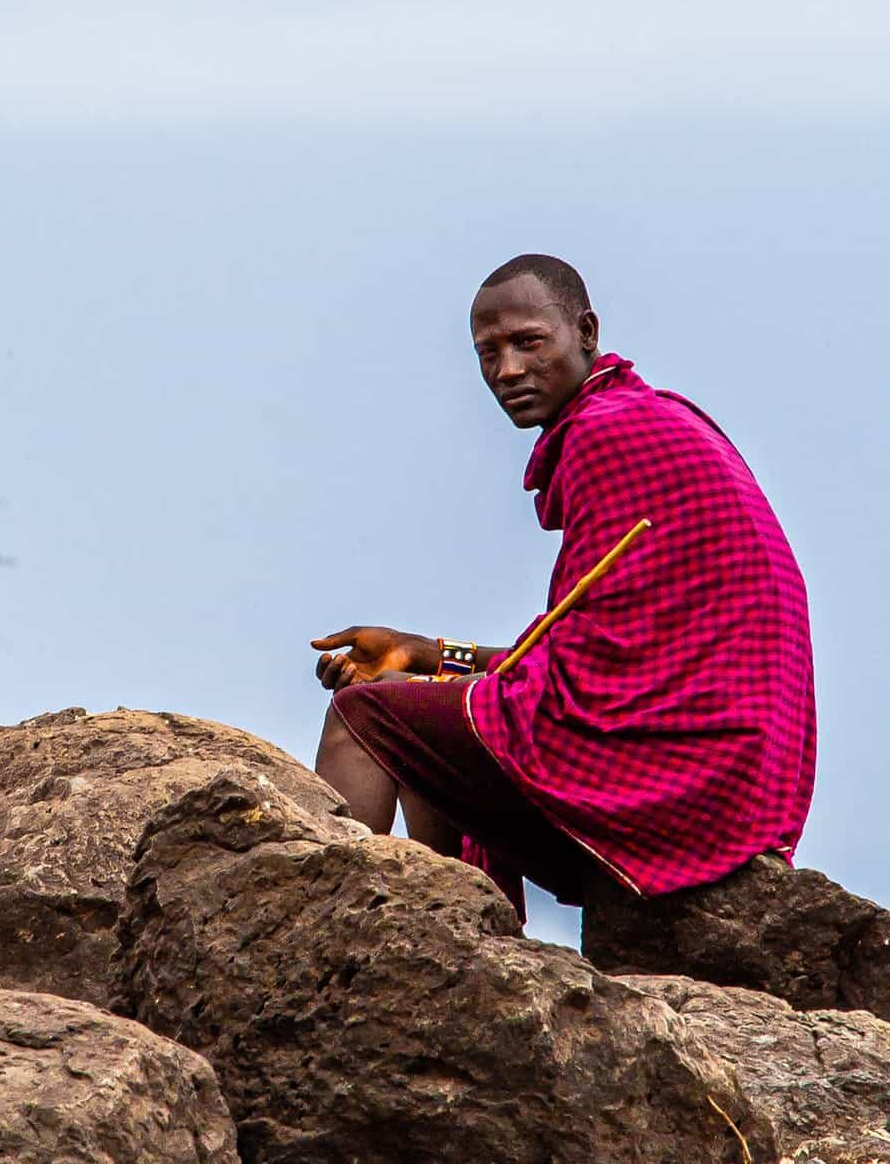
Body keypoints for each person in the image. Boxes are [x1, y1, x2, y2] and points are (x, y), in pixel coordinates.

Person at [310, 254, 816, 922]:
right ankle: (461, 945)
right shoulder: (649, 420)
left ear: (586, 331)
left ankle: (316, 924)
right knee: (424, 725)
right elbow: (587, 652)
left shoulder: (608, 436)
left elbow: (569, 678)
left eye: (528, 342)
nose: (507, 371)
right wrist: (428, 656)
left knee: (366, 716)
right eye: (487, 353)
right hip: (740, 781)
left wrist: (429, 677)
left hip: (687, 777)